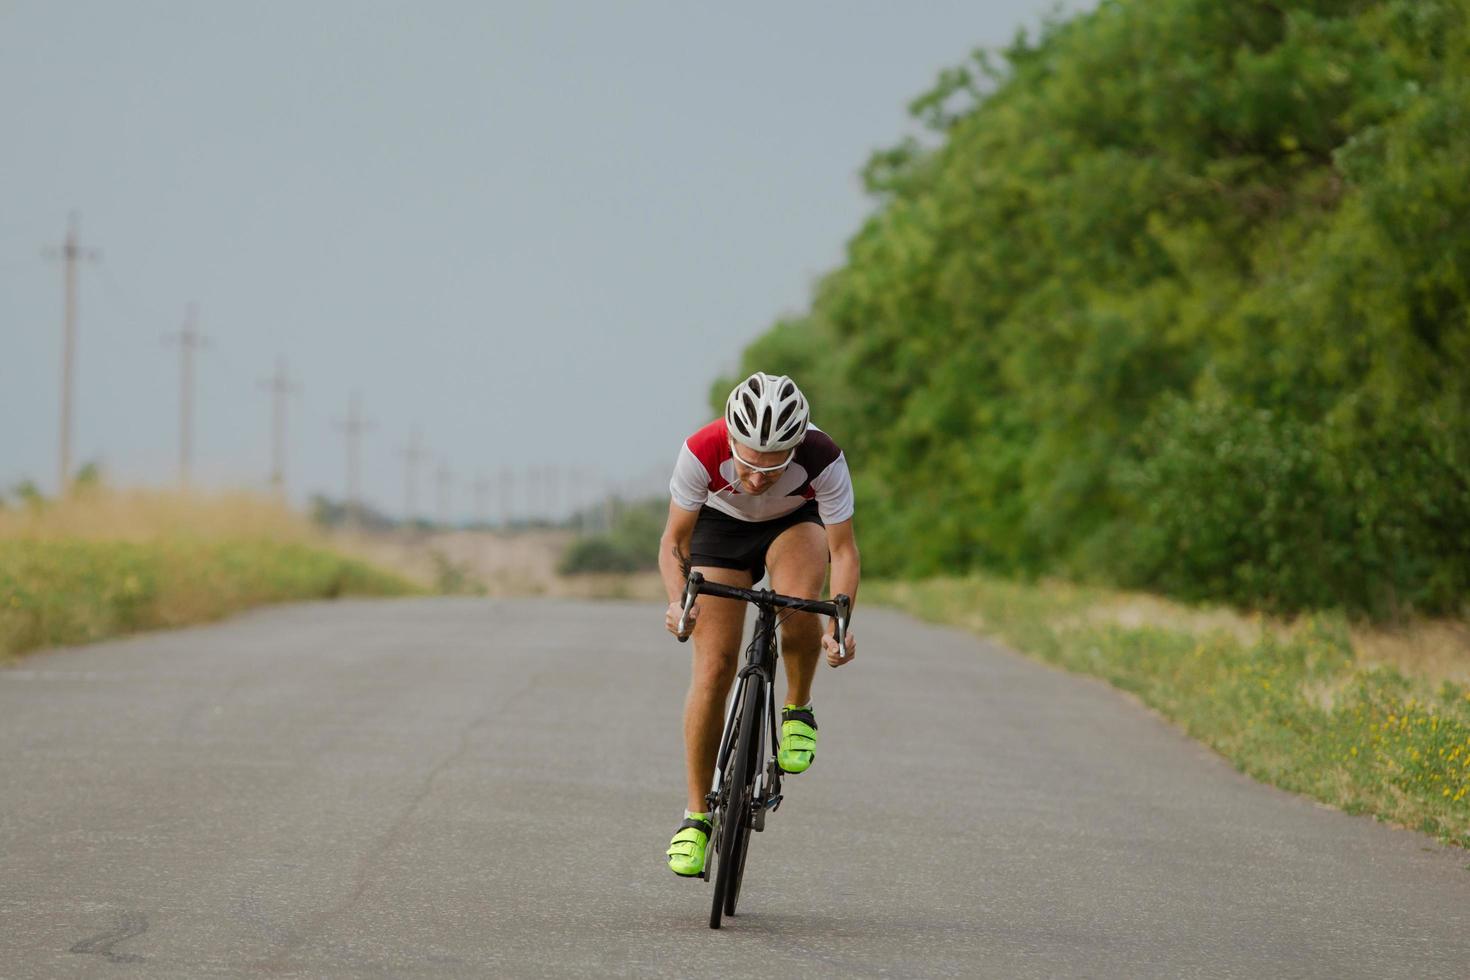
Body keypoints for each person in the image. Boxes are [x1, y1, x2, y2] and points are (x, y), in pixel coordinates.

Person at [658, 371, 860, 877]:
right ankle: (696, 818)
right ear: (731, 439)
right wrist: (679, 602)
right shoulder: (700, 451)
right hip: (720, 528)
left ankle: (798, 708)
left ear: (796, 447)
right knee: (714, 667)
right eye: (747, 464)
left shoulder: (823, 457)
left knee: (798, 604)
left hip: (794, 523)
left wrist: (838, 624)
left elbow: (843, 550)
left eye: (772, 469)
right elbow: (674, 543)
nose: (755, 479)